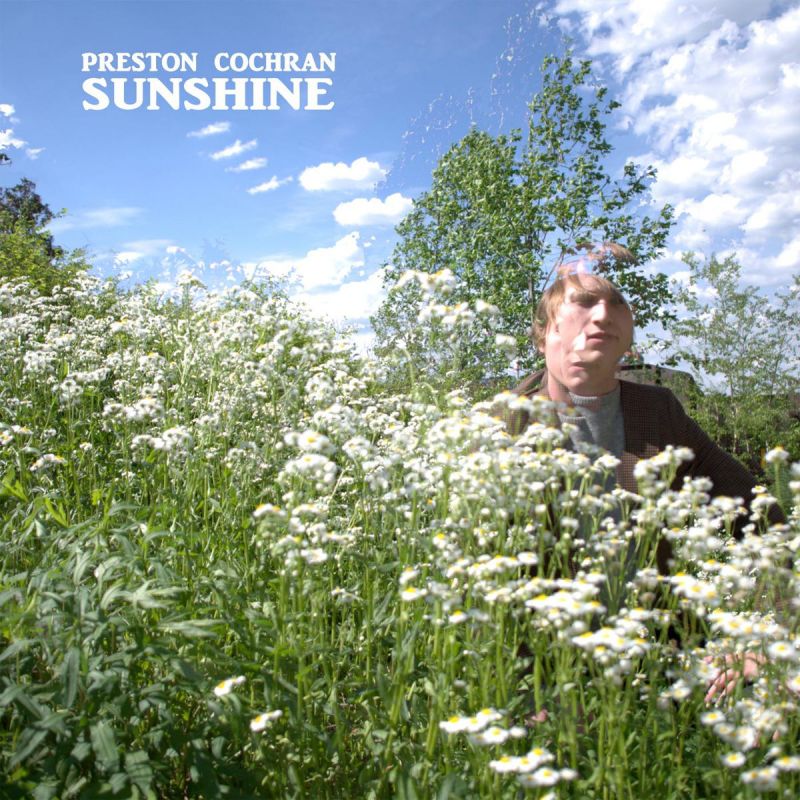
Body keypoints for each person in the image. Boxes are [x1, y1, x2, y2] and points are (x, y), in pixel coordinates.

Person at [508, 242, 785, 703]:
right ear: (542, 335)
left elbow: (759, 514)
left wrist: (767, 635)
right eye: (583, 302)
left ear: (629, 335)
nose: (603, 314)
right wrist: (524, 691)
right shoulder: (502, 425)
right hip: (546, 675)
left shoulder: (658, 412)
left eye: (616, 304)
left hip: (658, 660)